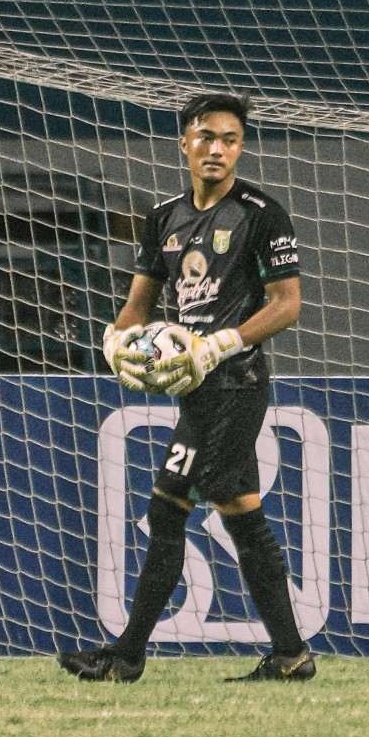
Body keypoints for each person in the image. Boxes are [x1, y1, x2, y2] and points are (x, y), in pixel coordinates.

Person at [59, 92, 314, 683]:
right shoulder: (163, 218)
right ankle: (291, 654)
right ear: (185, 143)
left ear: (241, 147)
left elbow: (287, 304)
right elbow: (136, 307)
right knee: (239, 507)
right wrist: (114, 341)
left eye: (229, 139)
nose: (217, 148)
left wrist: (221, 343)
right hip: (195, 389)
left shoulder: (262, 214)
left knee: (167, 507)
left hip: (236, 383)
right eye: (206, 137)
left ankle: (125, 656)